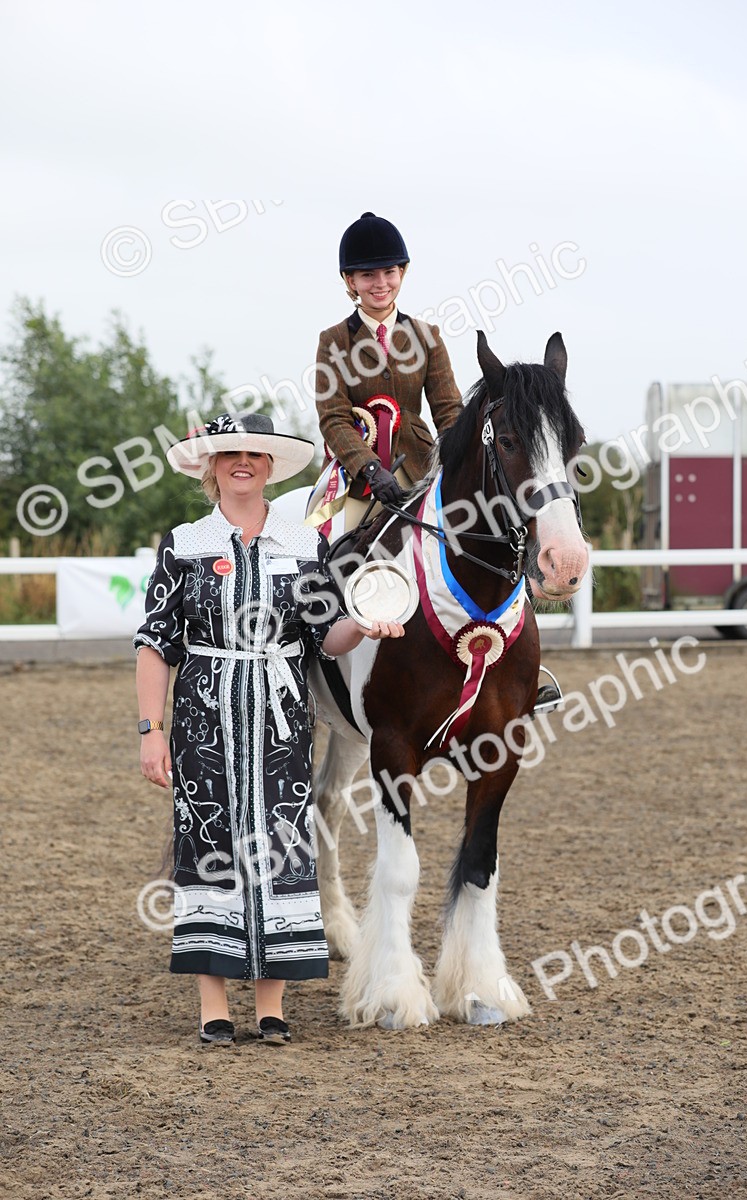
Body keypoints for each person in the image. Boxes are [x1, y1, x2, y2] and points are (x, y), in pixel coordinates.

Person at [134, 412, 403, 1046]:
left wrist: (364, 623)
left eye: (254, 453)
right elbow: (154, 643)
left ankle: (271, 1008)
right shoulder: (184, 543)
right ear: (211, 465)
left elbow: (326, 635)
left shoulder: (303, 545)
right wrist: (151, 729)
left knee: (281, 847)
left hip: (280, 721)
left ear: (269, 466)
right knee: (209, 845)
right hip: (203, 718)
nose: (242, 462)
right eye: (229, 453)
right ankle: (213, 1008)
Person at [311, 211, 462, 532]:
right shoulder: (334, 340)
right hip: (358, 478)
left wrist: (458, 462)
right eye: (368, 275)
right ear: (350, 280)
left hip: (420, 465)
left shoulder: (427, 336)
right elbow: (333, 416)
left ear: (402, 272)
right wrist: (369, 467)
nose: (380, 284)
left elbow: (449, 411)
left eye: (389, 272)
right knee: (337, 542)